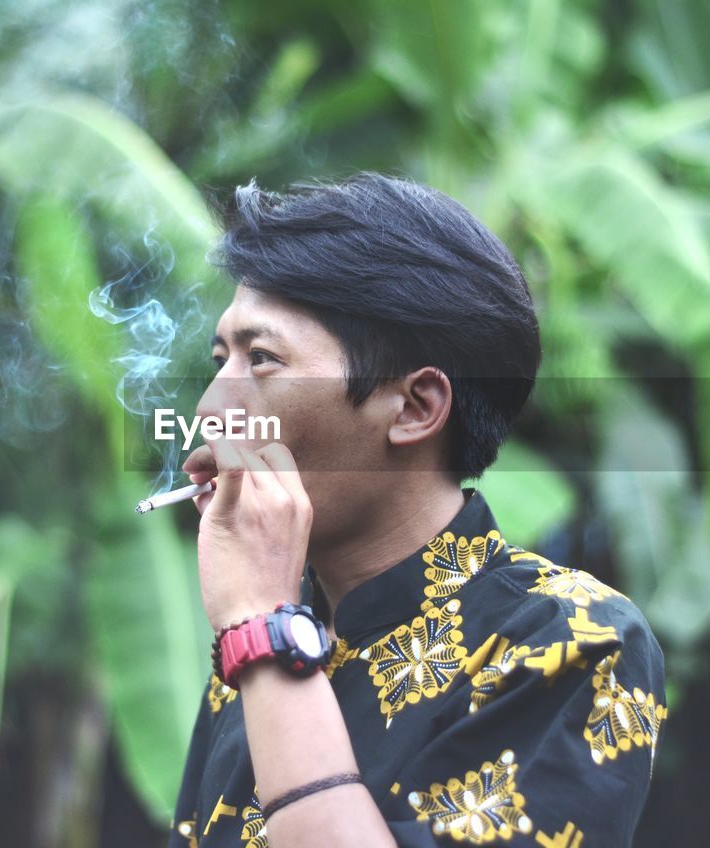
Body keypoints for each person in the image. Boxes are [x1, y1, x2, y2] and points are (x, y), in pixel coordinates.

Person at [168, 173, 667, 847]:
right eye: (220, 358)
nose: (209, 412)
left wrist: (264, 631)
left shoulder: (571, 640)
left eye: (261, 359)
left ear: (414, 408)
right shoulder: (248, 669)